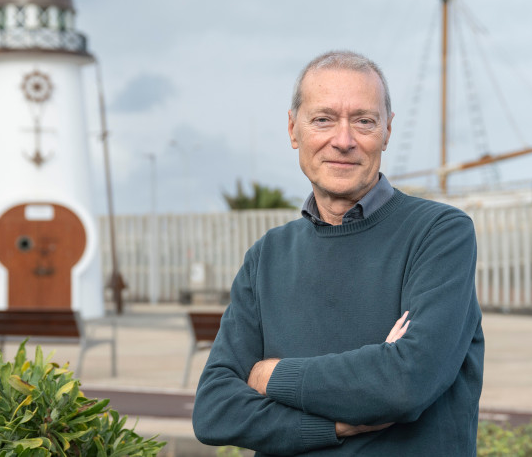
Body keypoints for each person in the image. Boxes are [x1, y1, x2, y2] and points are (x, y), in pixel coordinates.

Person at [192, 50, 484, 456]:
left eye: (364, 121)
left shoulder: (439, 234)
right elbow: (214, 411)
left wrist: (269, 376)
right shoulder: (266, 257)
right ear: (293, 130)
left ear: (387, 130)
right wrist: (334, 425)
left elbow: (404, 384)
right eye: (323, 119)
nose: (343, 140)